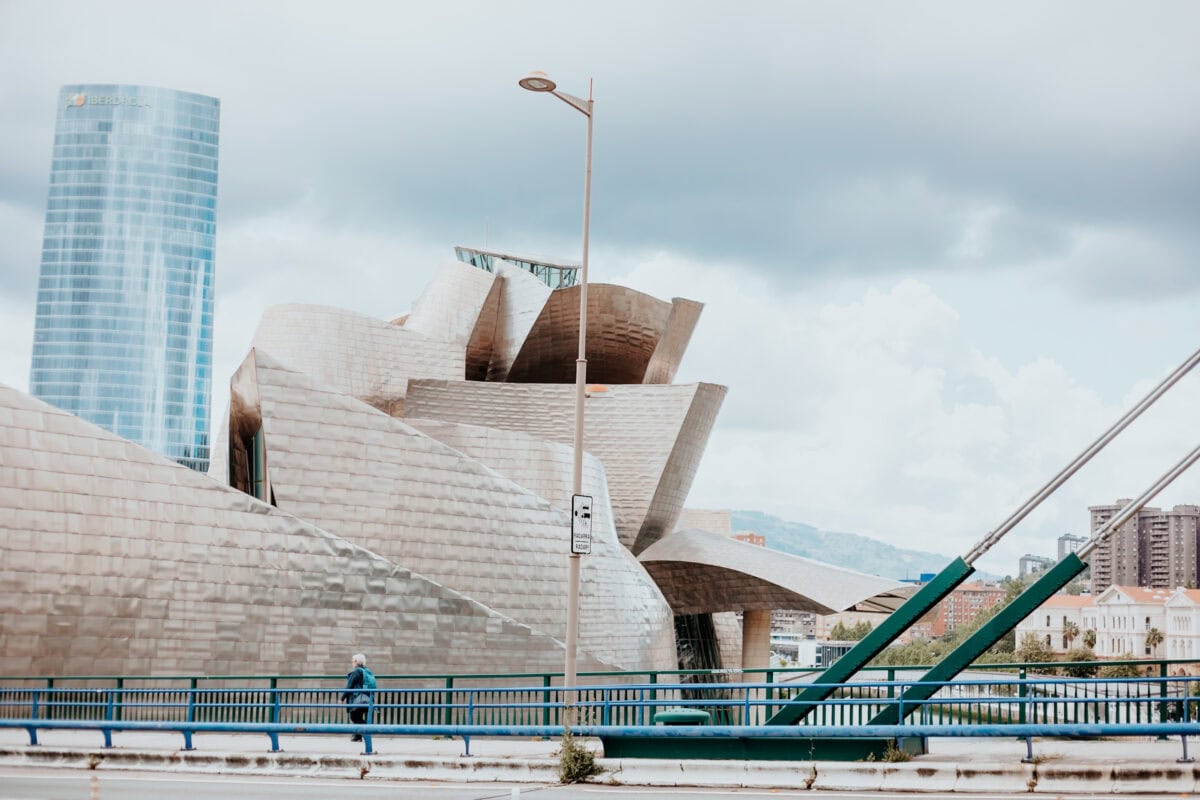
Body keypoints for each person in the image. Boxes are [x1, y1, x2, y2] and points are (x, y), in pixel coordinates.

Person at [342, 653, 369, 741]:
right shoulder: (365, 671)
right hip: (365, 699)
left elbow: (349, 685)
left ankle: (367, 729)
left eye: (353, 661)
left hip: (357, 699)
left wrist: (342, 698)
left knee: (354, 717)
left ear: (356, 662)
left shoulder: (357, 671)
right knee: (358, 717)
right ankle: (357, 736)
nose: (352, 663)